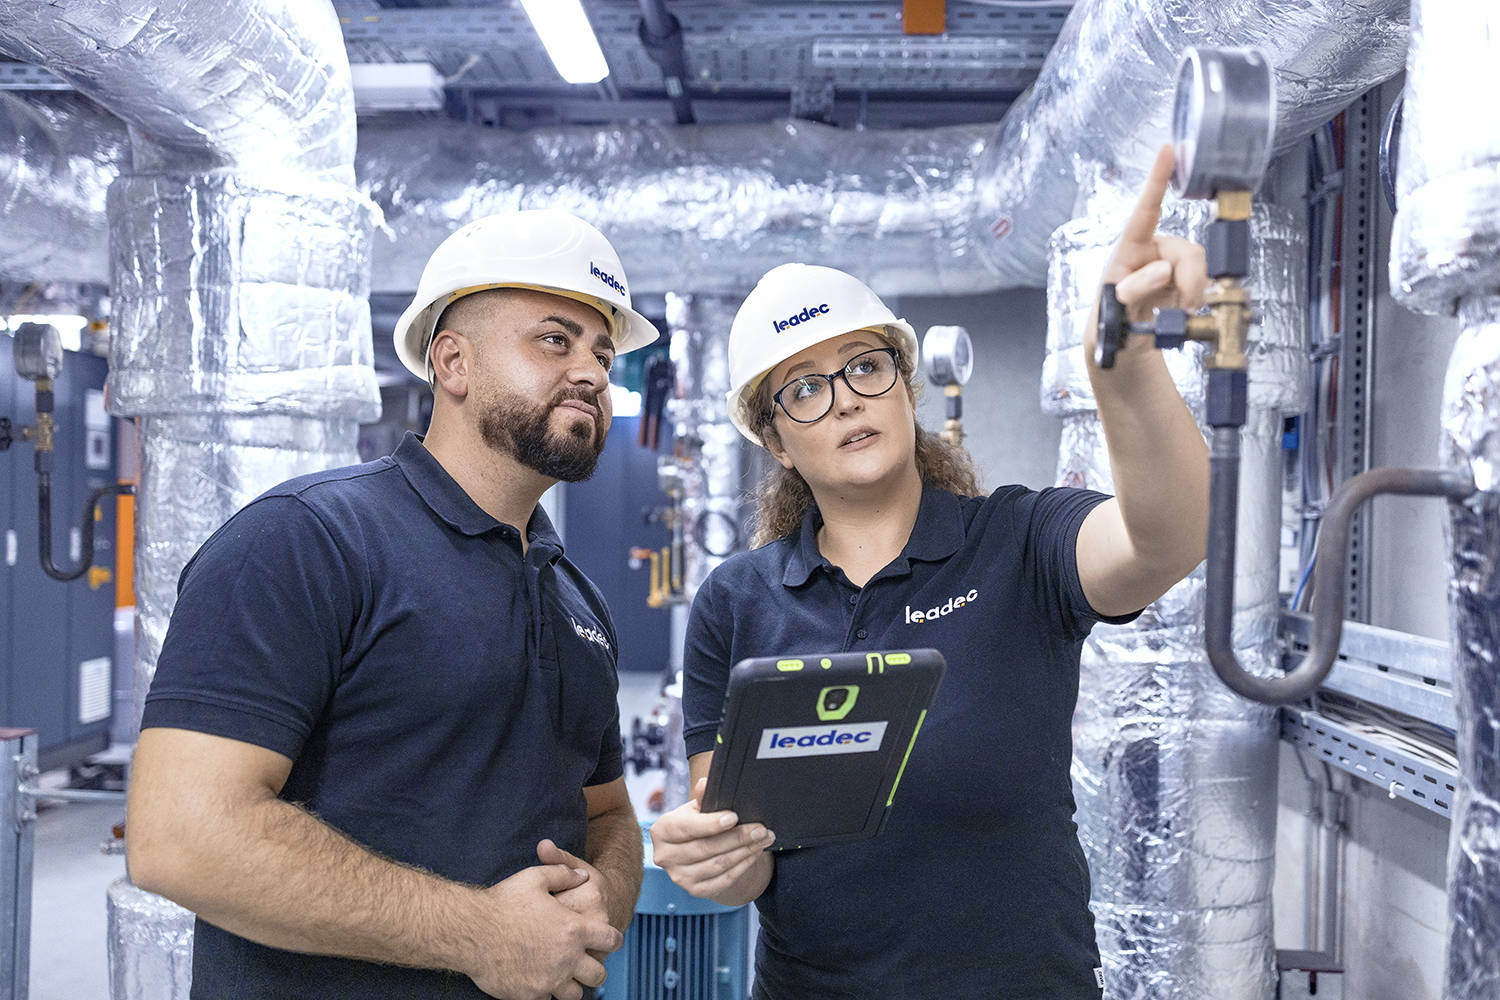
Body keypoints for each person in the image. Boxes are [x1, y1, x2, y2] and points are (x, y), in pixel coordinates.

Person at [649, 146, 1210, 998]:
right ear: (774, 440)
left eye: (864, 367)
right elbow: (744, 850)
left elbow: (1166, 540)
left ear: (905, 385)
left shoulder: (1019, 542)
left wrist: (1124, 370)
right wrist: (713, 862)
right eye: (802, 390)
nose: (843, 399)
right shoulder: (737, 600)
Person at [126, 209, 660, 1000]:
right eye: (555, 339)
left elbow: (609, 813)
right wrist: (481, 933)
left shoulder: (573, 596)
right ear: (453, 362)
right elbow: (180, 835)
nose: (591, 370)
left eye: (603, 351)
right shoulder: (306, 540)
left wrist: (604, 896)